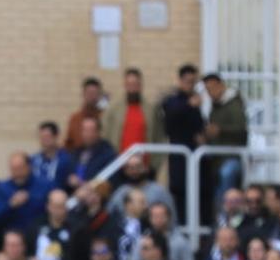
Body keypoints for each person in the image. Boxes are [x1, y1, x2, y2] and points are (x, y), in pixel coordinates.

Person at [158, 64, 207, 223]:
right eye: (187, 81)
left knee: (198, 194)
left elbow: (197, 125)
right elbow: (170, 118)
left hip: (195, 155)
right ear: (180, 81)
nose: (190, 85)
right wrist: (188, 105)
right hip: (179, 157)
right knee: (179, 194)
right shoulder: (173, 101)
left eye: (193, 82)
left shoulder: (196, 103)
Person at [202, 73, 248, 220]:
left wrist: (220, 130)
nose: (211, 92)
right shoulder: (214, 107)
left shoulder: (234, 104)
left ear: (221, 85)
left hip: (231, 157)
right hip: (217, 158)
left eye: (213, 88)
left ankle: (225, 217)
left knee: (226, 177)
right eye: (207, 89)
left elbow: (241, 130)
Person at [0, 153, 52, 238]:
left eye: (20, 167)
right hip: (12, 237)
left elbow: (52, 210)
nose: (17, 171)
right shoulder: (2, 188)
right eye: (13, 168)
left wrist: (31, 199)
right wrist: (11, 205)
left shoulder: (45, 185)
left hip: (40, 234)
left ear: (29, 166)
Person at [102, 68, 155, 165]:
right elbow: (105, 135)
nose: (132, 88)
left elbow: (158, 137)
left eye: (135, 84)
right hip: (118, 164)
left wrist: (154, 165)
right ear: (125, 85)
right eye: (129, 85)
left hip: (143, 166)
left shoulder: (151, 110)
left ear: (140, 86)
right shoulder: (113, 110)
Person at [69, 116, 116, 190]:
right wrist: (70, 179)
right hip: (74, 192)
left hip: (95, 194)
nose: (87, 134)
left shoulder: (107, 153)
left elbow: (109, 181)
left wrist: (86, 185)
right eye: (84, 130)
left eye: (90, 130)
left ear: (98, 132)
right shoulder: (77, 151)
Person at [65, 77, 106, 151]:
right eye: (89, 93)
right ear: (83, 94)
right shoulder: (75, 119)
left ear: (99, 95)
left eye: (94, 93)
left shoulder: (105, 117)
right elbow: (69, 144)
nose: (91, 96)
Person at [30, 122, 74, 191]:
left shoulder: (67, 160)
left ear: (56, 136)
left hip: (57, 196)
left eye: (47, 137)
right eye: (41, 137)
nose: (44, 141)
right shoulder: (33, 159)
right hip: (35, 197)